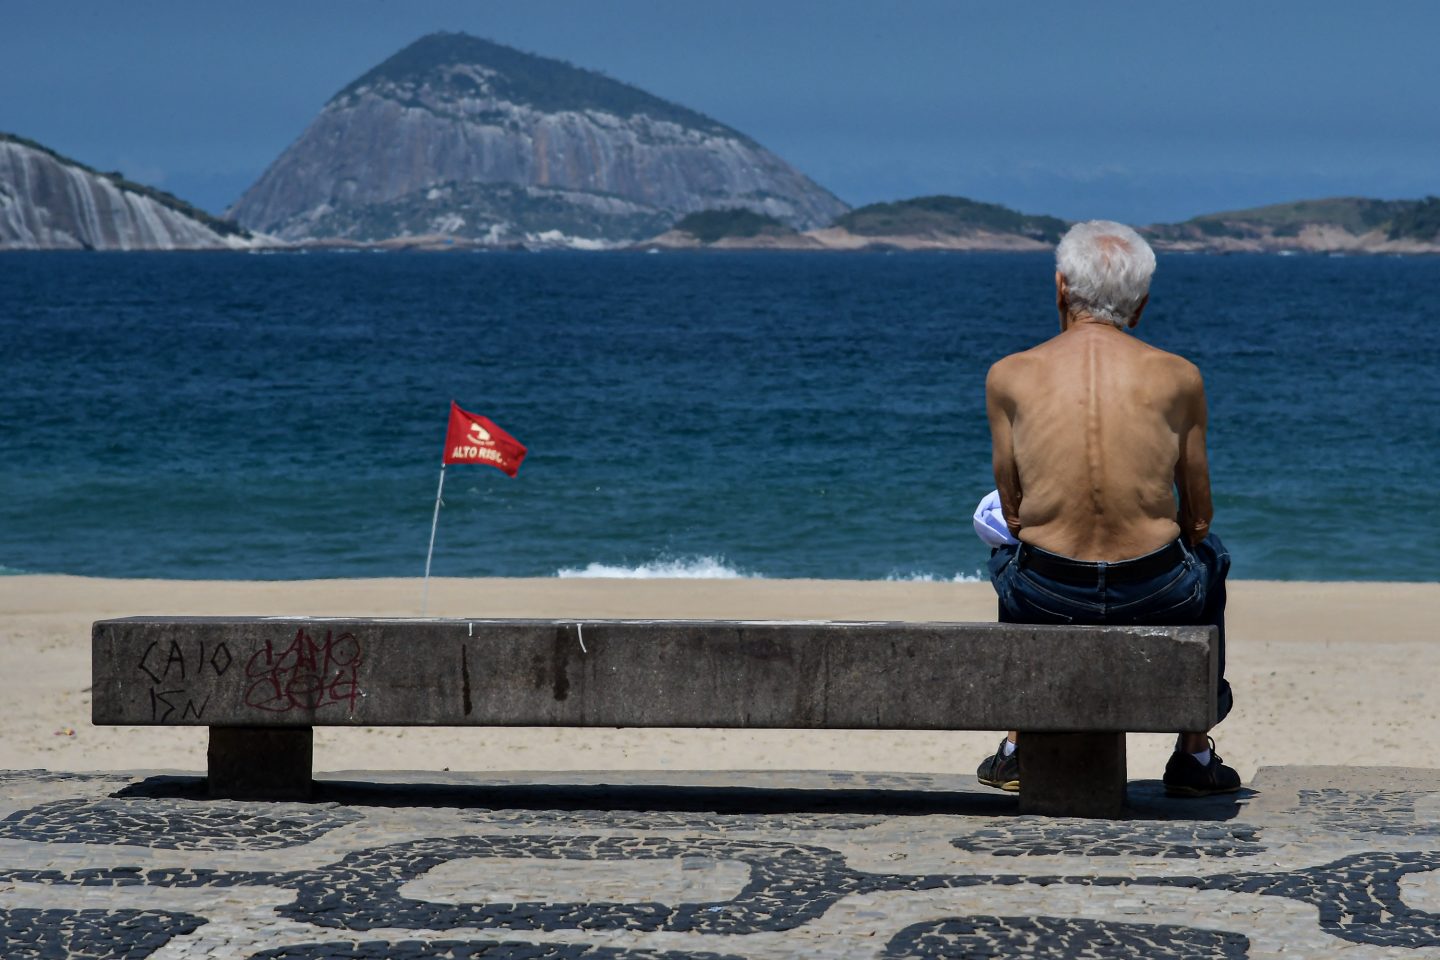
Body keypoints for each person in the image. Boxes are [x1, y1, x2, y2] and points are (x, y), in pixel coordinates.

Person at [974, 220, 1239, 798]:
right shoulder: (1179, 376)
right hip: (1156, 592)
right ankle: (1194, 753)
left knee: (1009, 554)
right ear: (1139, 306)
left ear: (1060, 288)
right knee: (1212, 556)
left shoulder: (1008, 375)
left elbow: (1013, 509)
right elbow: (1199, 518)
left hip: (1048, 594)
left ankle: (1017, 743)